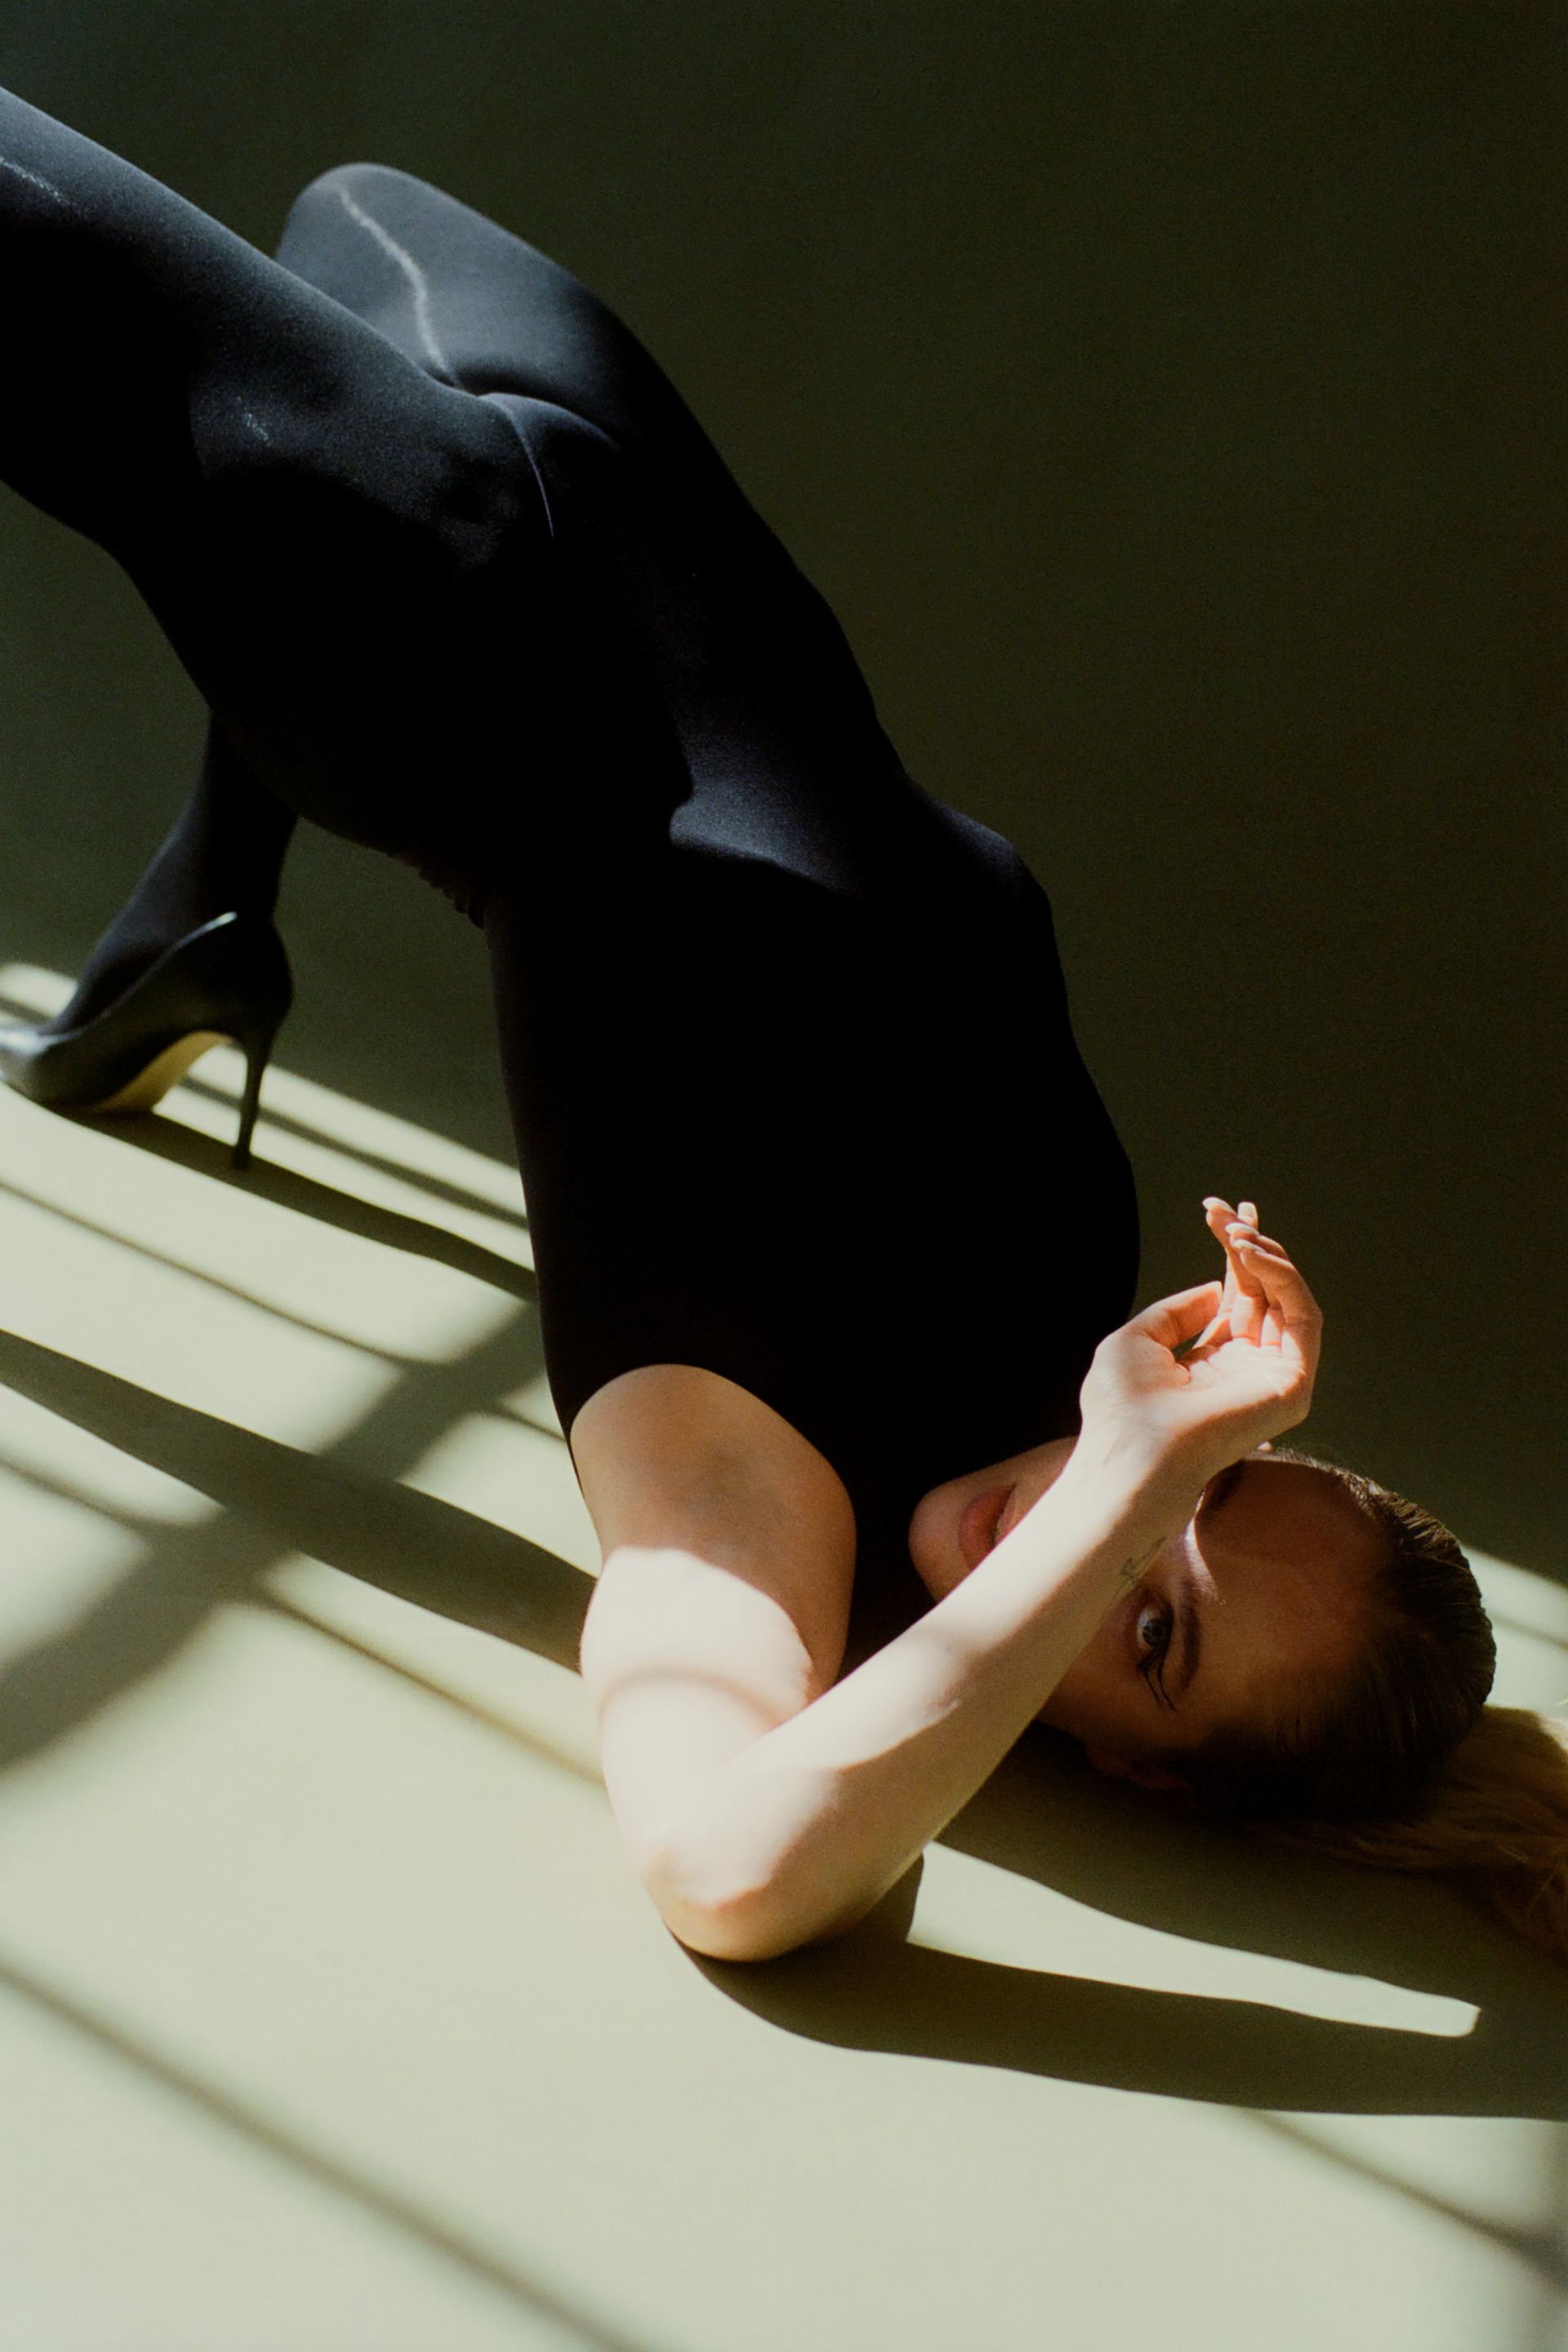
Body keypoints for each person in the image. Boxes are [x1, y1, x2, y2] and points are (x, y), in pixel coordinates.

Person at [0, 87, 1562, 1965]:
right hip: (604, 464)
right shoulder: (1074, 1331)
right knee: (356, 194)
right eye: (1209, 1487)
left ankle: (226, 864)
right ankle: (214, 899)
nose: (1113, 1502)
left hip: (410, 580)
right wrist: (1143, 1438)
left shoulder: (755, 1506)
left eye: (1152, 1625)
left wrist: (1140, 1478)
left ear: (1137, 1768)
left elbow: (730, 1874)